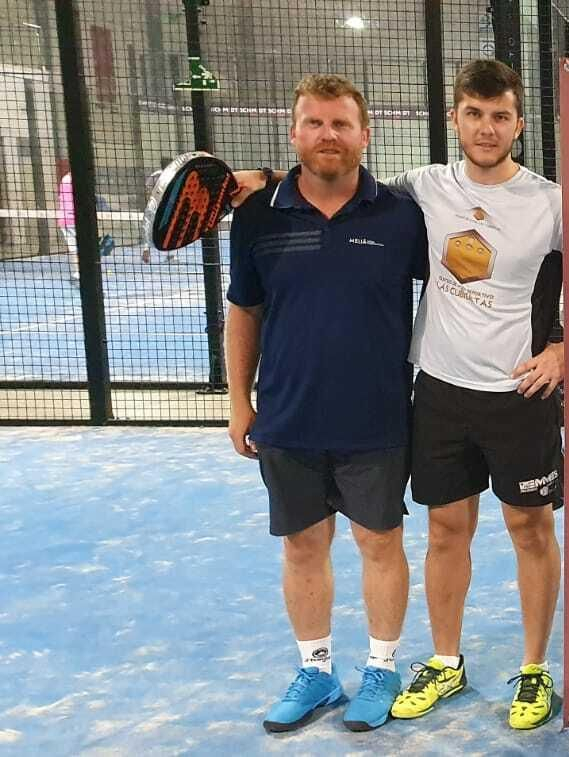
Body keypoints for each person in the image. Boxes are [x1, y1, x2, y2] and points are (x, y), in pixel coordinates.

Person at [231, 58, 566, 731]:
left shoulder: (553, 202)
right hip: (438, 390)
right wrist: (265, 179)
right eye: (473, 113)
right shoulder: (424, 189)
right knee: (446, 530)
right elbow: (328, 177)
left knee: (529, 526)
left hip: (519, 392)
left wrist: (564, 347)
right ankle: (444, 660)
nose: (487, 127)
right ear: (455, 119)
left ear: (519, 122)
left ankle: (533, 668)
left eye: (500, 115)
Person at [224, 74, 426, 733]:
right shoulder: (257, 216)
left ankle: (382, 667)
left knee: (379, 540)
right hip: (287, 415)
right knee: (302, 545)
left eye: (341, 124)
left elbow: (462, 278)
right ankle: (315, 671)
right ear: (294, 133)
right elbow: (243, 311)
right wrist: (238, 402)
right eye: (314, 122)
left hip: (377, 417)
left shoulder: (401, 214)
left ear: (365, 135)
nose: (328, 135)